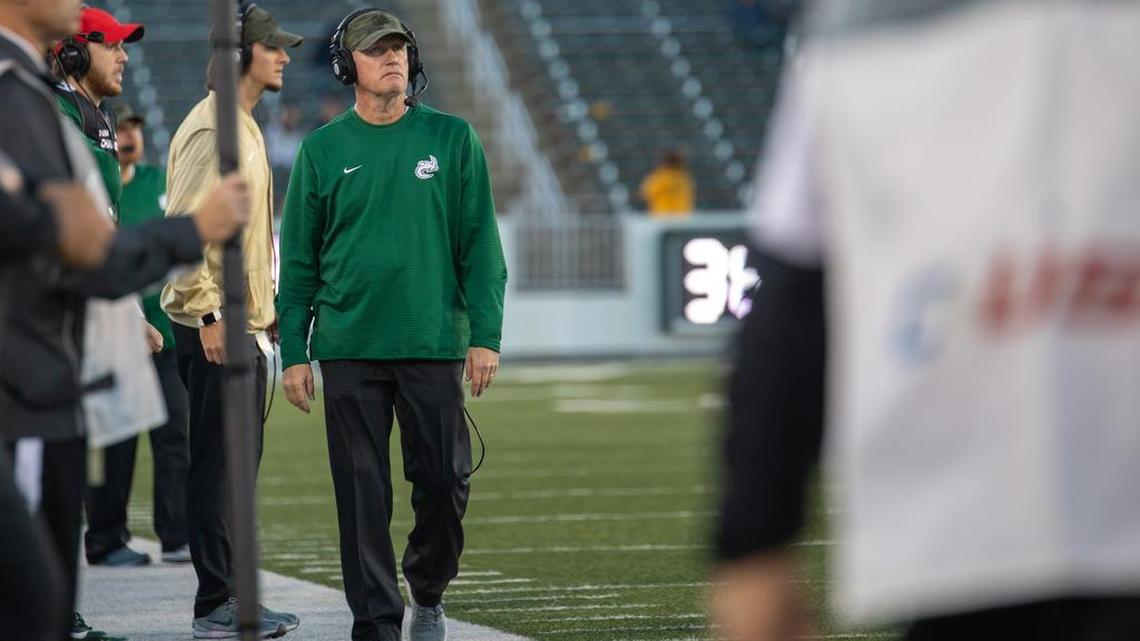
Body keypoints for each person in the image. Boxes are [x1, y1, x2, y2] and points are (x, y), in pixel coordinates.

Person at [711, 2, 1140, 641]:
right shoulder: (860, 41)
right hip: (969, 529)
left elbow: (797, 281)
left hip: (964, 525)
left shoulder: (864, 38)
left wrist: (754, 538)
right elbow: (799, 279)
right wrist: (754, 537)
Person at [0, 1, 250, 639]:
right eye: (110, 44)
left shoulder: (61, 104)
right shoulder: (25, 97)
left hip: (49, 354)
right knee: (30, 586)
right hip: (25, 370)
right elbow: (77, 243)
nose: (124, 56)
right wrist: (194, 230)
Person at [277, 8, 507, 641]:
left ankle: (428, 589)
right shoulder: (322, 151)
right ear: (345, 65)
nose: (392, 58)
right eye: (376, 50)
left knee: (444, 480)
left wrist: (485, 336)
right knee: (361, 494)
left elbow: (481, 247)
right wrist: (293, 351)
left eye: (399, 48)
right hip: (348, 345)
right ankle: (376, 623)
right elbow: (298, 263)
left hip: (432, 341)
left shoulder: (453, 138)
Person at [159, 4, 302, 637]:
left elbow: (242, 236)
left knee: (235, 468)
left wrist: (263, 310)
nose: (285, 57)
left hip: (239, 323)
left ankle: (233, 597)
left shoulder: (239, 124)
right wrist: (210, 312)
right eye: (274, 47)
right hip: (213, 324)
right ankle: (215, 601)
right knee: (219, 468)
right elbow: (186, 227)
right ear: (241, 55)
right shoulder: (211, 126)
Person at [50, 5, 158, 573]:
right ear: (73, 51)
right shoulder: (54, 109)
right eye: (111, 45)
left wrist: (128, 311)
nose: (123, 57)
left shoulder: (99, 114)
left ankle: (60, 600)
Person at [111, 101, 192, 564]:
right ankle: (106, 538)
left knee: (175, 434)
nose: (131, 137)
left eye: (136, 128)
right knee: (117, 441)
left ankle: (176, 535)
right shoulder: (101, 186)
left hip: (166, 332)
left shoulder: (160, 182)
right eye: (123, 128)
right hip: (118, 336)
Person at [639, 149, 694, 217]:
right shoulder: (685, 178)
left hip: (662, 216)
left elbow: (644, 193)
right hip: (682, 217)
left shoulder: (659, 178)